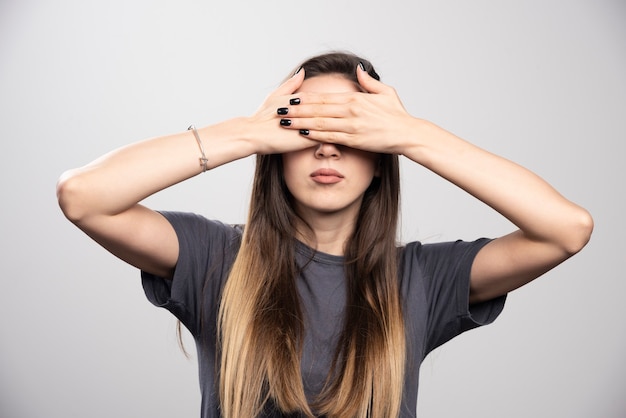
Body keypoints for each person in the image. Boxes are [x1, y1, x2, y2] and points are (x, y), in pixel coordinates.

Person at [56, 52, 593, 418]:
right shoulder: (216, 258)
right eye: (306, 128)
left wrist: (413, 135)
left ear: (382, 159)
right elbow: (84, 196)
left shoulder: (422, 279)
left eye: (351, 130)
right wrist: (248, 132)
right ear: (278, 151)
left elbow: (566, 230)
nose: (328, 147)